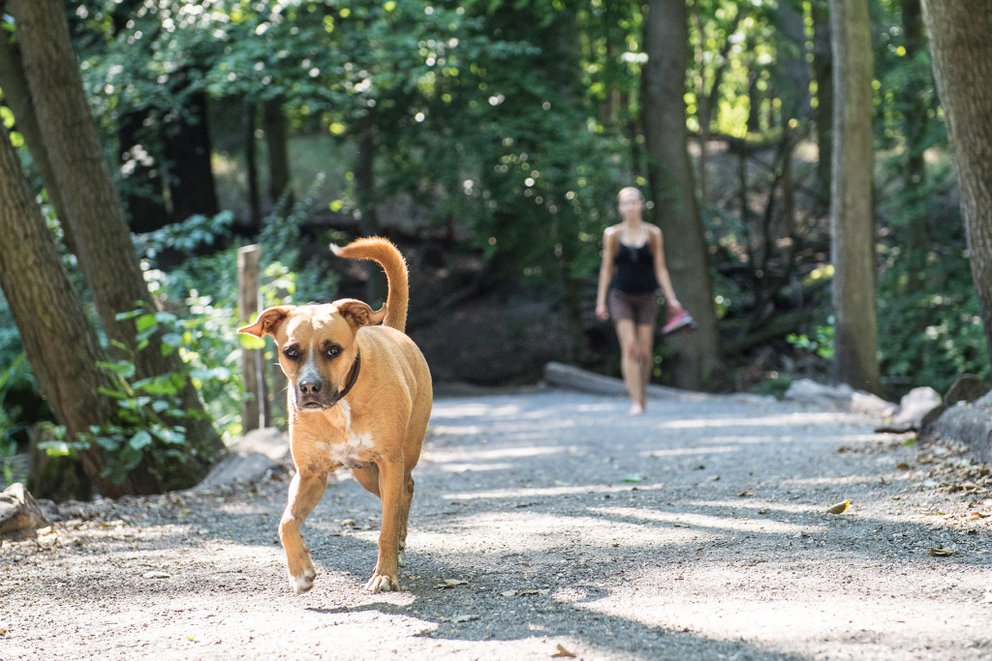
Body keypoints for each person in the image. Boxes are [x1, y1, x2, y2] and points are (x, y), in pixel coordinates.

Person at [595, 186, 687, 415]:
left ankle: (642, 393)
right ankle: (635, 400)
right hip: (620, 296)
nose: (630, 207)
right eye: (625, 203)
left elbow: (661, 268)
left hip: (647, 296)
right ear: (620, 208)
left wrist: (672, 298)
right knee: (630, 348)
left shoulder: (653, 233)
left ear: (641, 205)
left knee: (645, 352)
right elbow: (606, 269)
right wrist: (600, 301)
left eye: (633, 202)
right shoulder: (612, 234)